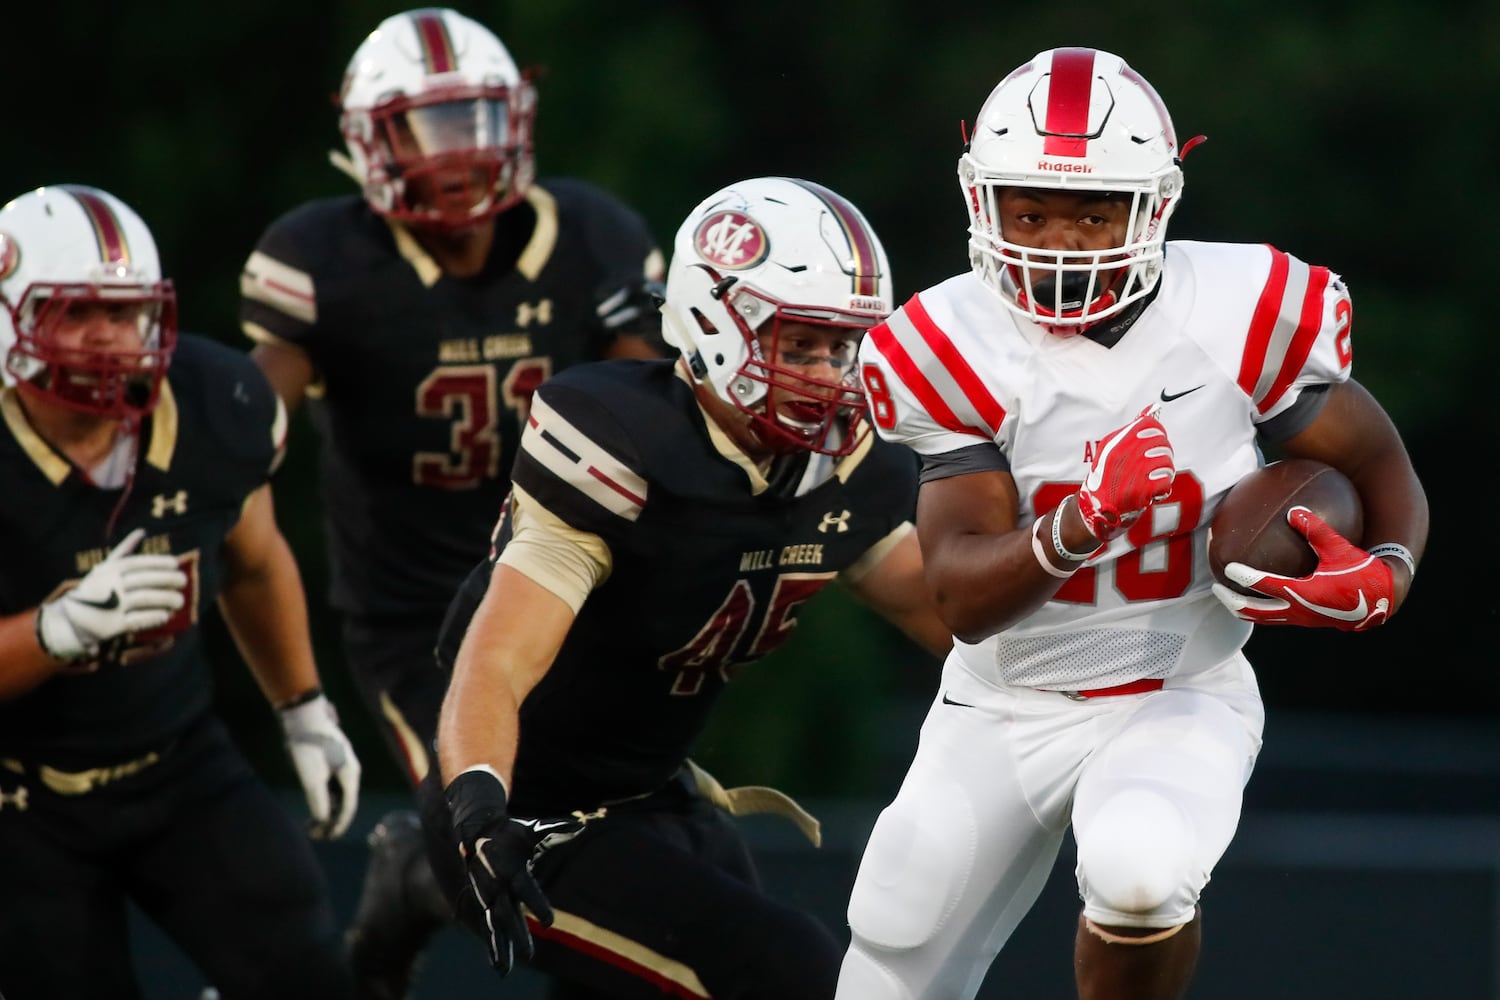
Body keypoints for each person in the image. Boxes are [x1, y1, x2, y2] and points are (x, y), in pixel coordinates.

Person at [836, 46, 1429, 1000]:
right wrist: (1083, 519)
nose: (1059, 240)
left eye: (1091, 210)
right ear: (981, 201)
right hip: (1001, 703)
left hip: (1178, 686)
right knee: (892, 947)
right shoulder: (947, 346)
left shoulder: (1244, 315)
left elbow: (1377, 458)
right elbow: (959, 597)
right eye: (1031, 210)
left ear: (1153, 204)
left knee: (1140, 873)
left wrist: (1390, 568)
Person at [423, 175, 952, 999]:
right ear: (713, 323)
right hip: (525, 813)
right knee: (791, 968)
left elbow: (955, 619)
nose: (829, 375)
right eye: (800, 345)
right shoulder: (625, 447)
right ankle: (412, 876)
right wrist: (481, 812)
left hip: (657, 795)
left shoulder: (850, 472)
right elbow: (495, 663)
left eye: (843, 346)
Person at [237, 9, 666, 996]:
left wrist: (658, 347)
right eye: (428, 129)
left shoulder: (592, 235)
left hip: (565, 592)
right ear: (367, 141)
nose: (460, 156)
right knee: (500, 833)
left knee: (617, 846)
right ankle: (417, 883)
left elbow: (654, 431)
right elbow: (248, 428)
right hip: (416, 614)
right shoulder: (323, 261)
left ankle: (423, 879)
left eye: (476, 120)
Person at [0, 184, 362, 998]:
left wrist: (304, 709)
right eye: (77, 312)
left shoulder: (215, 403)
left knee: (306, 972)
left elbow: (258, 560)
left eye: (126, 311)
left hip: (175, 761)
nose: (111, 338)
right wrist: (54, 632)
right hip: (17, 795)